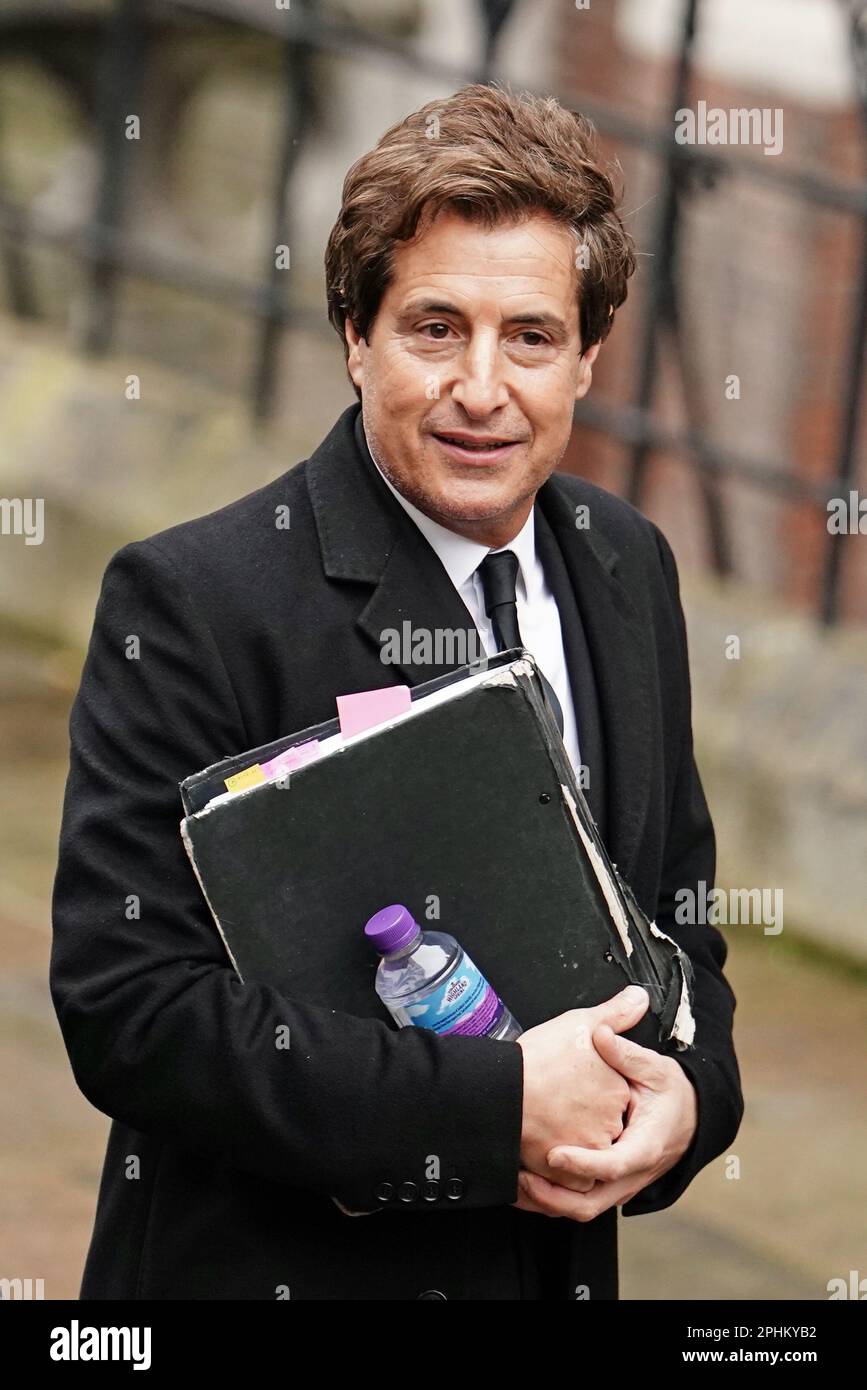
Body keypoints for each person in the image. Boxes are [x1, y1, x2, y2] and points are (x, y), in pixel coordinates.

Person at [51, 82, 743, 1301]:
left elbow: (679, 917)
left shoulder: (628, 564)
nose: (483, 388)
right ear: (356, 337)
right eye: (435, 329)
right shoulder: (193, 599)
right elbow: (133, 1011)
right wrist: (500, 1107)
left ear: (586, 358)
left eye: (529, 336)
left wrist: (689, 1101)